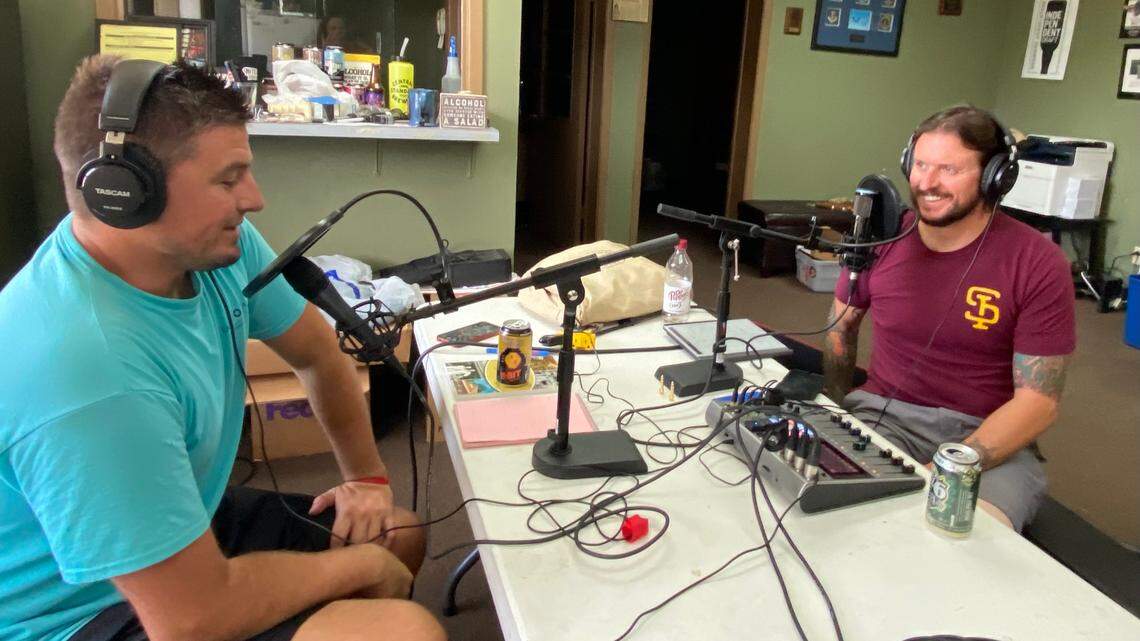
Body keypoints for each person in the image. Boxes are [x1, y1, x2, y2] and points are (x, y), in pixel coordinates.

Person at [0, 56, 445, 641]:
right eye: (228, 179)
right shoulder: (85, 369)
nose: (254, 199)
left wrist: (367, 481)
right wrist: (359, 568)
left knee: (397, 532)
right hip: (77, 614)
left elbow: (318, 353)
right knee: (400, 629)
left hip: (180, 526)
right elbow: (189, 620)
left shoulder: (212, 247)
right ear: (125, 192)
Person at [822, 105, 1075, 532]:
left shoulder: (1038, 262)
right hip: (885, 415)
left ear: (996, 177)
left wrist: (947, 467)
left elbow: (1039, 402)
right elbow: (840, 328)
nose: (927, 183)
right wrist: (831, 410)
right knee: (834, 514)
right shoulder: (881, 238)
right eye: (920, 165)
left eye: (949, 169)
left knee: (967, 539)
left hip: (991, 439)